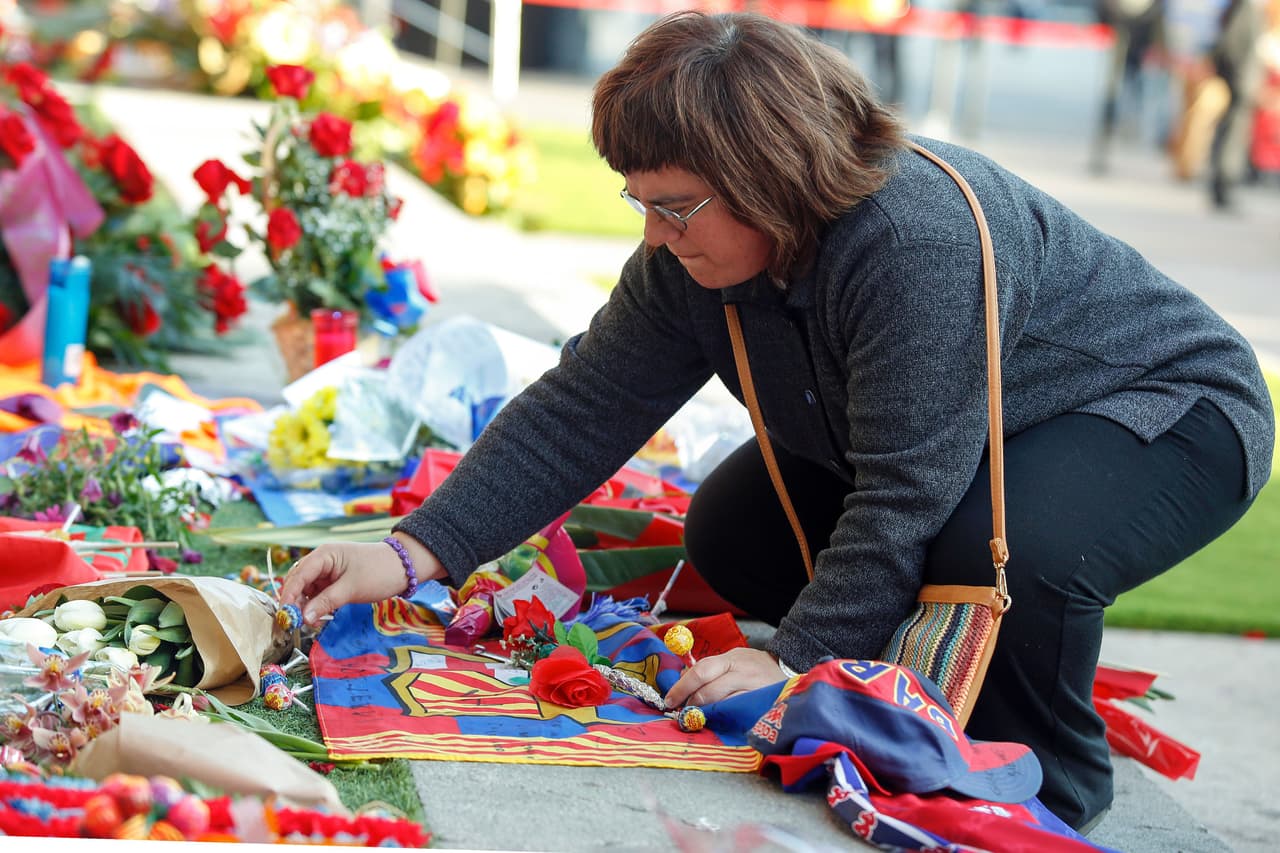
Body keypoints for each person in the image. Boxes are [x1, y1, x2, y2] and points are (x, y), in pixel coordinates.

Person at [281, 10, 1275, 833]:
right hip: (984, 433)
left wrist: (793, 664)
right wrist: (412, 553)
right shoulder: (690, 257)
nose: (651, 234)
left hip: (1163, 412)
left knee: (997, 552)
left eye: (674, 206)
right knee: (732, 530)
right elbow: (579, 406)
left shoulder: (908, 242)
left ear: (767, 176)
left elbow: (906, 489)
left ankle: (1041, 781)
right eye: (637, 202)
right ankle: (925, 655)